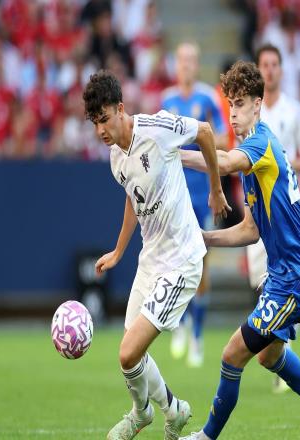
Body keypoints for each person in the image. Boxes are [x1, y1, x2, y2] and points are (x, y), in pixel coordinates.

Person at [178, 61, 300, 440]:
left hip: (294, 279)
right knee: (268, 355)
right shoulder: (253, 158)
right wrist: (205, 237)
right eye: (229, 104)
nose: (233, 113)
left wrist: (174, 154)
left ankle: (206, 436)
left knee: (232, 354)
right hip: (282, 275)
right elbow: (251, 230)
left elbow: (224, 163)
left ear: (257, 105)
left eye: (240, 104)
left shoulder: (260, 145)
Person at [82, 70, 230, 440]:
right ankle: (172, 410)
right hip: (151, 259)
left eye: (104, 119)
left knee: (128, 353)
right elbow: (134, 198)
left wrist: (216, 188)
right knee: (131, 353)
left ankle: (141, 413)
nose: (100, 130)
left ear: (120, 109)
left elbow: (205, 132)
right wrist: (119, 251)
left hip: (181, 260)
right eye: (94, 122)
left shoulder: (156, 127)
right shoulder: (116, 158)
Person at [249, 43, 300, 393]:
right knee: (260, 284)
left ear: (281, 69)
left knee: (279, 282)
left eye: (275, 64)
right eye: (265, 64)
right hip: (259, 215)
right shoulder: (251, 114)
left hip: (286, 215)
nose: (270, 70)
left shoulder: (294, 111)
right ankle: (277, 352)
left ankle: (280, 352)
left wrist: (282, 163)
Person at [162, 42, 227, 368]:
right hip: (175, 194)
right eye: (182, 60)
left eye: (191, 60)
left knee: (201, 264)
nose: (187, 65)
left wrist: (197, 138)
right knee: (176, 261)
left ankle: (198, 334)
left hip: (202, 194)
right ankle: (182, 323)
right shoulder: (167, 100)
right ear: (176, 65)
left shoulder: (207, 98)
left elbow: (224, 137)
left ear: (197, 64)